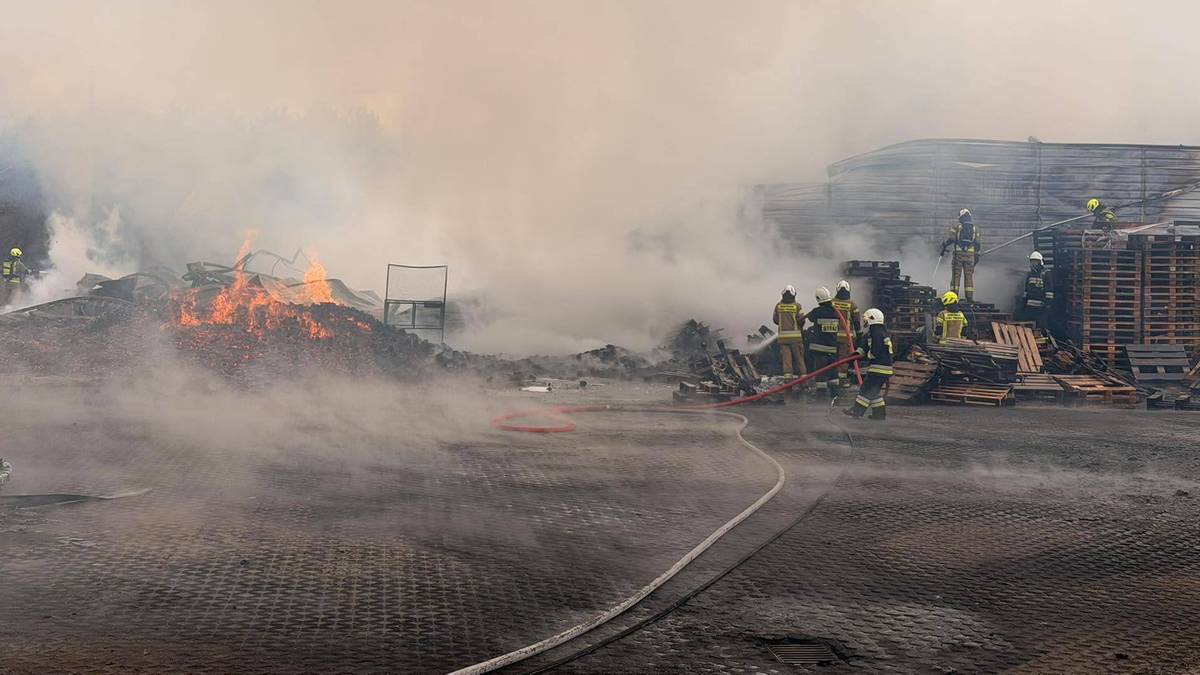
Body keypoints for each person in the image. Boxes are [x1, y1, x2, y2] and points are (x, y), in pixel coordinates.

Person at [844, 308, 893, 421]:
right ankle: (879, 415)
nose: (864, 321)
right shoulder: (876, 331)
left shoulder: (876, 333)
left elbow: (874, 352)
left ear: (872, 319)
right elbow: (864, 348)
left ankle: (856, 412)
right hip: (882, 368)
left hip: (879, 368)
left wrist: (864, 357)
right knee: (873, 391)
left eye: (866, 319)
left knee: (865, 389)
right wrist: (853, 356)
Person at [804, 286, 841, 399]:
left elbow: (810, 318)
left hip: (820, 349)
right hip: (832, 349)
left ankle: (821, 397)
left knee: (820, 373)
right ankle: (835, 396)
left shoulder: (816, 312)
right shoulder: (835, 312)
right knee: (833, 373)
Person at [941, 208, 981, 301]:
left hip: (958, 255)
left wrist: (945, 244)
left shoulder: (956, 227)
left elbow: (951, 239)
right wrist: (976, 255)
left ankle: (954, 296)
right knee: (969, 276)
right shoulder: (975, 228)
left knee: (956, 275)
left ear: (960, 217)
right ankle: (969, 297)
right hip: (970, 256)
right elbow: (978, 243)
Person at [831, 280, 862, 388]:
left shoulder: (831, 302)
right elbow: (856, 321)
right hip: (846, 337)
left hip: (832, 336)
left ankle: (832, 379)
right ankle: (842, 380)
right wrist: (859, 334)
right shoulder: (852, 304)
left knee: (833, 358)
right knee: (843, 359)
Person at [772, 285, 807, 378]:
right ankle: (803, 378)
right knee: (799, 359)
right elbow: (801, 320)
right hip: (796, 338)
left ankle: (788, 379)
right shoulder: (797, 306)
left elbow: (775, 320)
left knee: (786, 361)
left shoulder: (778, 306)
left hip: (783, 339)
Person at [1017, 251, 1053, 330]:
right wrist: (1023, 302)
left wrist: (1047, 304)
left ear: (1040, 262)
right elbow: (1026, 291)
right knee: (1026, 326)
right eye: (1032, 261)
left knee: (1041, 327)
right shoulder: (1030, 274)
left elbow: (1049, 291)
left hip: (1041, 307)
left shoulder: (1046, 274)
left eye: (1035, 262)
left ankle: (1044, 337)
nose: (1033, 264)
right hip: (1030, 307)